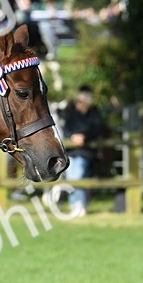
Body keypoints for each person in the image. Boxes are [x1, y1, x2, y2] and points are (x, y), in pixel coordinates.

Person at [61, 86, 102, 217]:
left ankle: (79, 205)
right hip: (71, 151)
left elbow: (96, 129)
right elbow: (66, 129)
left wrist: (83, 136)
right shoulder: (72, 114)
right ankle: (75, 205)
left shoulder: (94, 113)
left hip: (85, 152)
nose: (77, 104)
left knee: (77, 178)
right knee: (72, 179)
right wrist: (73, 136)